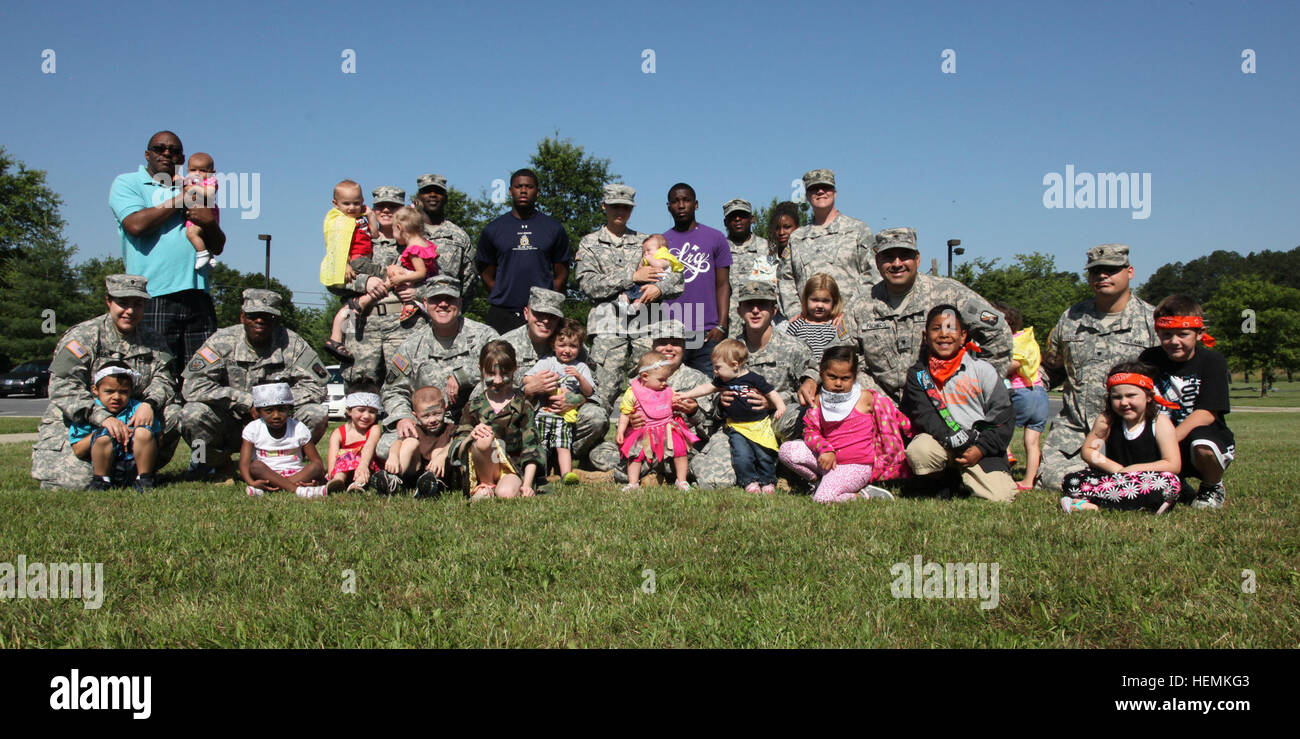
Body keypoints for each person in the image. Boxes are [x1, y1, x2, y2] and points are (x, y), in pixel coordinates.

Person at [33, 274, 181, 490]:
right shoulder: (83, 336)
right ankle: (117, 470)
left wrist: (149, 404)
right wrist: (102, 418)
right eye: (122, 303)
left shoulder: (154, 340)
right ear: (108, 302)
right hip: (85, 422)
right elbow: (63, 386)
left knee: (176, 413)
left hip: (133, 418)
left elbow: (165, 378)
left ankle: (140, 470)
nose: (130, 311)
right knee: (77, 484)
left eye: (137, 304)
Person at [1036, 244, 1158, 491]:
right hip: (1075, 431)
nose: (1102, 276)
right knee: (1054, 482)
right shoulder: (1071, 318)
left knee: (1141, 483)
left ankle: (1109, 482)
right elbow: (1052, 368)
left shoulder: (1150, 321)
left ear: (1130, 271)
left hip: (1128, 431)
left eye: (1111, 270)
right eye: (1096, 271)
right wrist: (1022, 386)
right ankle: (1104, 484)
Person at [846, 228, 1013, 402]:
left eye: (904, 255)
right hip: (883, 409)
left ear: (917, 259)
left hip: (944, 406)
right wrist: (871, 394)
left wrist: (977, 386)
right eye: (888, 257)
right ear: (877, 261)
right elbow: (843, 355)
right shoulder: (861, 306)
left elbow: (998, 332)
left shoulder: (950, 294)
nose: (897, 263)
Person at [181, 289, 329, 477]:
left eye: (267, 317)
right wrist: (244, 401)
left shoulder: (293, 344)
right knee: (192, 414)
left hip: (276, 423)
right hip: (231, 420)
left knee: (316, 413)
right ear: (242, 317)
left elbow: (317, 385)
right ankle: (205, 464)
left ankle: (286, 463)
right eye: (253, 316)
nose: (260, 321)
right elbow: (192, 385)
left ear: (276, 320)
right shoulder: (221, 341)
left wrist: (273, 403)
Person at [110, 131, 225, 365]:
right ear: (147, 154)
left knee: (203, 377)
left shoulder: (195, 186)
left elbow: (218, 245)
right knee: (157, 372)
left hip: (198, 295)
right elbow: (136, 225)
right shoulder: (128, 182)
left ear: (182, 159)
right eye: (159, 148)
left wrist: (208, 221)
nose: (166, 154)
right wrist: (181, 199)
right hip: (154, 294)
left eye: (173, 151)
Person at [690, 282, 819, 488]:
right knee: (713, 479)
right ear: (740, 310)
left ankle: (797, 467)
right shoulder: (727, 350)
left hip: (778, 423)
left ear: (774, 310)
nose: (756, 310)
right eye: (749, 305)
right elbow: (713, 390)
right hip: (740, 427)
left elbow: (814, 374)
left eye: (762, 305)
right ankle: (773, 470)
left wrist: (777, 400)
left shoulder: (793, 347)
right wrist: (721, 401)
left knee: (806, 417)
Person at [576, 183, 684, 413]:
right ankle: (598, 444)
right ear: (604, 206)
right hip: (607, 325)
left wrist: (660, 289)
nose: (620, 212)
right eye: (615, 206)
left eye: (626, 208)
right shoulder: (590, 243)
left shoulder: (648, 242)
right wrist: (632, 276)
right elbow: (588, 284)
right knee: (603, 391)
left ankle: (645, 438)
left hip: (646, 324)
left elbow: (676, 276)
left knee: (651, 385)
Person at [378, 275, 499, 480]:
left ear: (459, 303)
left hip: (470, 423)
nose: (443, 304)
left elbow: (502, 371)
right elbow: (392, 389)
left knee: (480, 441)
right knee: (384, 447)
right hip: (427, 424)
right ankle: (416, 473)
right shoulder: (411, 345)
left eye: (450, 299)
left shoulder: (484, 336)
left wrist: (463, 375)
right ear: (425, 303)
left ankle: (440, 468)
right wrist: (403, 416)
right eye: (435, 300)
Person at [900, 305, 1018, 502]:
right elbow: (925, 414)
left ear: (963, 336)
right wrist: (953, 440)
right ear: (925, 336)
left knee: (1002, 496)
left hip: (979, 448)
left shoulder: (983, 370)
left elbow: (1003, 415)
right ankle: (944, 480)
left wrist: (981, 449)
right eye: (936, 328)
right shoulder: (918, 375)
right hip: (942, 442)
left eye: (951, 328)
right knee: (919, 450)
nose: (944, 334)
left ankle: (965, 477)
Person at [587, 320, 716, 482]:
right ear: (653, 346)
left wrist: (693, 412)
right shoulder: (640, 380)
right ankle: (651, 474)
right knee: (599, 452)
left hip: (679, 450)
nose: (669, 348)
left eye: (675, 343)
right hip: (645, 443)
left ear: (684, 347)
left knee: (694, 461)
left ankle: (630, 474)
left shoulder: (699, 381)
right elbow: (625, 421)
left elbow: (709, 432)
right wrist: (631, 424)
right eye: (662, 342)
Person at [778, 346, 912, 502]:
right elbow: (811, 431)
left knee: (821, 500)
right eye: (832, 377)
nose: (838, 383)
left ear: (854, 377)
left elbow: (891, 414)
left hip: (855, 465)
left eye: (845, 378)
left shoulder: (865, 398)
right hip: (829, 460)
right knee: (786, 451)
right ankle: (818, 483)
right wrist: (824, 449)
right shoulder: (818, 402)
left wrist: (912, 430)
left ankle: (862, 496)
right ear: (821, 374)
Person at [1141, 295, 1236, 509]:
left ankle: (1212, 486)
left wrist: (1169, 439)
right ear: (1157, 333)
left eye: (1183, 334)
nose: (1174, 341)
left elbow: (1207, 413)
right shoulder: (1148, 358)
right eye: (1166, 335)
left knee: (1203, 445)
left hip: (1200, 433)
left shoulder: (1213, 361)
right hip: (1160, 433)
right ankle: (1177, 487)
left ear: (1200, 334)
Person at [498, 287, 607, 468]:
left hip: (564, 418)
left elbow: (594, 390)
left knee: (596, 417)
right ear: (526, 313)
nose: (545, 320)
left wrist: (575, 399)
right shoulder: (505, 345)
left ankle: (562, 458)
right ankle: (533, 458)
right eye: (539, 314)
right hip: (526, 415)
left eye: (552, 316)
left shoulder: (573, 345)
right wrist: (527, 391)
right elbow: (491, 391)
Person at [1060, 362, 1182, 514]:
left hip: (1148, 481)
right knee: (1072, 480)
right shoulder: (1107, 421)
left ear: (1149, 397)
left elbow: (1172, 464)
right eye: (1117, 397)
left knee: (1169, 483)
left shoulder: (1159, 422)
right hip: (1113, 479)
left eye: (1131, 395)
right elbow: (1089, 451)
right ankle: (1130, 505)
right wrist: (1116, 469)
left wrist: (1132, 471)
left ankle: (1094, 502)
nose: (1124, 403)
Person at [338, 186, 426, 385]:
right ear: (372, 209)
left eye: (393, 206)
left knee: (404, 384)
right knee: (358, 386)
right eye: (381, 206)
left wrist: (417, 292)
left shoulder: (416, 243)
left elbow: (438, 282)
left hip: (403, 325)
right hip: (359, 322)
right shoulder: (353, 238)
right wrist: (365, 282)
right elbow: (332, 279)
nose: (386, 210)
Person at [677, 339, 786, 494]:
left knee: (764, 453)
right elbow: (706, 388)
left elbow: (771, 392)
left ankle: (767, 481)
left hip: (758, 425)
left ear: (735, 365)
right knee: (741, 455)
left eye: (718, 367)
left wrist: (780, 405)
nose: (714, 371)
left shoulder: (754, 379)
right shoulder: (723, 380)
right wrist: (686, 394)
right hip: (736, 426)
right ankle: (749, 481)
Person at [476, 169, 572, 334]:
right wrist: (503, 294)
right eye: (518, 186)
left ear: (538, 192)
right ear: (510, 191)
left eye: (529, 186)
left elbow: (562, 274)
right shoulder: (493, 229)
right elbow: (486, 274)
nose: (523, 190)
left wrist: (547, 300)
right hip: (503, 313)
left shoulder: (553, 228)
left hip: (543, 314)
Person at [449, 342, 543, 500]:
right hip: (482, 467)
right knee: (484, 438)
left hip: (512, 468)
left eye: (504, 374)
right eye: (491, 374)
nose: (498, 380)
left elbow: (532, 448)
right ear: (481, 370)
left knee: (506, 494)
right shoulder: (473, 406)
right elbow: (457, 447)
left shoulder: (522, 405)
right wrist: (472, 436)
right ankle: (486, 486)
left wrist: (527, 485)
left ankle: (495, 491)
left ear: (515, 369)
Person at [781, 169, 876, 312]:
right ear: (807, 195)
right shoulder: (796, 238)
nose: (820, 192)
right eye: (814, 188)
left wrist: (851, 312)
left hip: (849, 322)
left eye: (825, 187)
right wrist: (795, 314)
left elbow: (873, 273)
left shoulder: (857, 230)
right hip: (808, 326)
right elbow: (785, 278)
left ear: (834, 192)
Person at [661, 183, 732, 373]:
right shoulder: (661, 242)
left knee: (709, 391)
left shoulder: (716, 238)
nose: (681, 205)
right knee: (669, 392)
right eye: (675, 201)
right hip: (671, 333)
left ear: (696, 204)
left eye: (686, 200)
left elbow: (723, 285)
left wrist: (722, 325)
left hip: (707, 333)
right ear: (669, 207)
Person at [69, 362, 162, 492]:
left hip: (133, 462)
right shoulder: (88, 413)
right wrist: (103, 433)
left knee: (143, 432)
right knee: (103, 437)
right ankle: (101, 481)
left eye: (123, 392)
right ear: (95, 390)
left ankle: (144, 478)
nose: (116, 397)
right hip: (106, 464)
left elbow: (158, 438)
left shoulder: (138, 409)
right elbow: (78, 450)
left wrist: (134, 434)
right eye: (109, 391)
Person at [616, 351, 699, 492]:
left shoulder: (667, 390)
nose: (665, 383)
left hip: (668, 427)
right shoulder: (633, 393)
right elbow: (625, 414)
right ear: (645, 377)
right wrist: (620, 431)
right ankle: (633, 483)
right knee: (635, 455)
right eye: (661, 380)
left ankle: (682, 480)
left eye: (666, 379)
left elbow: (674, 400)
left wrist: (680, 402)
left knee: (680, 450)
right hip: (643, 430)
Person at [525, 318, 595, 485]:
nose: (567, 350)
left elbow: (589, 391)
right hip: (543, 414)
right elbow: (527, 379)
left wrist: (579, 377)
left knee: (563, 445)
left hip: (564, 417)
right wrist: (537, 382)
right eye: (562, 345)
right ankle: (540, 474)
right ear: (553, 345)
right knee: (541, 445)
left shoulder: (581, 367)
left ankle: (566, 475)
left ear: (579, 348)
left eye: (573, 346)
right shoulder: (547, 362)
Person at [320, 179, 378, 359]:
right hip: (355, 263)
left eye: (356, 203)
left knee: (350, 304)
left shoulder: (359, 220)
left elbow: (374, 234)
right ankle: (338, 337)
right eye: (346, 203)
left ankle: (336, 339)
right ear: (335, 204)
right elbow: (336, 246)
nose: (352, 207)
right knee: (385, 276)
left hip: (362, 261)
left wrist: (370, 216)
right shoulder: (338, 221)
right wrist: (343, 264)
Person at [239, 383, 327, 499]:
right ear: (259, 412)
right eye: (269, 411)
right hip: (266, 474)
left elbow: (317, 462)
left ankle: (272, 488)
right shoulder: (253, 428)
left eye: (282, 410)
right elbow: (244, 463)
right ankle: (298, 490)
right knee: (256, 466)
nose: (276, 415)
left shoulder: (298, 428)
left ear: (289, 409)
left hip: (296, 474)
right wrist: (251, 482)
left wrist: (315, 478)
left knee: (315, 467)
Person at [996, 303, 1050, 491]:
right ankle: (1028, 481)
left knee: (998, 426)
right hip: (1039, 393)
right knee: (1032, 441)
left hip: (1021, 392)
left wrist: (993, 369)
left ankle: (1007, 455)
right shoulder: (1029, 339)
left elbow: (1015, 363)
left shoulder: (1015, 340)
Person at [378, 385, 454, 498]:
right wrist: (393, 456)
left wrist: (442, 456)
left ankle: (432, 483)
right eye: (426, 416)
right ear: (416, 416)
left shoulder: (450, 429)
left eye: (437, 413)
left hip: (440, 474)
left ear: (445, 408)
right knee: (410, 442)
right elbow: (397, 443)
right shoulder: (415, 430)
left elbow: (456, 441)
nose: (432, 419)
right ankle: (394, 479)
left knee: (439, 451)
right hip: (416, 472)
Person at [414, 174, 478, 302]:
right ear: (418, 197)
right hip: (411, 317)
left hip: (447, 313)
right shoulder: (406, 232)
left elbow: (469, 280)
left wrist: (455, 309)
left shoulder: (458, 236)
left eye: (438, 192)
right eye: (427, 191)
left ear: (446, 198)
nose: (433, 195)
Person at [721, 198, 781, 322]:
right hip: (727, 322)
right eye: (732, 217)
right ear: (725, 222)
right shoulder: (719, 249)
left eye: (742, 216)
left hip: (758, 319)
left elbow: (776, 285)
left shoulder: (768, 248)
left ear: (752, 219)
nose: (737, 219)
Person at [324, 386, 382, 493]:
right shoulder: (339, 433)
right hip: (342, 470)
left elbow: (369, 446)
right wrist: (332, 472)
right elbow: (332, 457)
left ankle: (358, 484)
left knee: (359, 455)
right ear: (349, 411)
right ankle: (337, 482)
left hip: (366, 468)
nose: (366, 416)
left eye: (372, 412)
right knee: (345, 456)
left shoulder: (374, 429)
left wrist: (363, 466)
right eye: (361, 410)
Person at [784, 273, 849, 363]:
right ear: (806, 299)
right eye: (815, 300)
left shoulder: (837, 325)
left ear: (834, 302)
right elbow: (786, 351)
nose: (820, 305)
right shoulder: (796, 325)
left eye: (826, 301)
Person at [621, 234, 683, 307]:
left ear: (661, 250)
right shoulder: (648, 259)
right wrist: (641, 264)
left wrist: (649, 259)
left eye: (648, 250)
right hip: (644, 281)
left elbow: (658, 265)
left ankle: (635, 306)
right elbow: (639, 271)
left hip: (655, 283)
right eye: (644, 252)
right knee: (630, 290)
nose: (645, 253)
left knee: (642, 296)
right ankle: (624, 301)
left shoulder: (665, 260)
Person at [183, 152, 220, 270]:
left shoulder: (210, 181)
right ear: (188, 170)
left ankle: (202, 253)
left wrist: (193, 188)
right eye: (193, 170)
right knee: (203, 235)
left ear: (212, 172)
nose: (197, 174)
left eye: (203, 171)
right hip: (194, 212)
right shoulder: (189, 181)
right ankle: (210, 256)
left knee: (191, 233)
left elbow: (209, 194)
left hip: (205, 213)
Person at [768, 201, 803, 316]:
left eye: (787, 227)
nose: (781, 232)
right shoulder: (765, 261)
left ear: (797, 228)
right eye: (777, 228)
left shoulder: (804, 257)